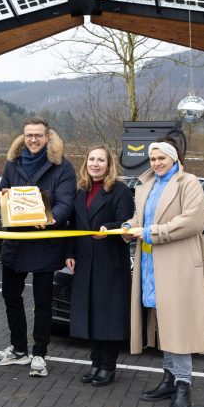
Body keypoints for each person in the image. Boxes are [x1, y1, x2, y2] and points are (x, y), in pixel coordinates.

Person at [122, 137, 204, 407]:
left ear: (174, 159)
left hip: (178, 265)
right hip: (152, 263)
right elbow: (141, 219)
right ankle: (170, 379)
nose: (157, 163)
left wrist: (152, 233)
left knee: (178, 323)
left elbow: (193, 220)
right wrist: (126, 227)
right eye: (153, 159)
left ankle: (184, 386)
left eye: (162, 158)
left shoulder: (189, 183)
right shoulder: (147, 185)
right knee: (164, 322)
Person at [0, 117, 75, 377]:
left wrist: (50, 218)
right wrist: (4, 198)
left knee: (42, 301)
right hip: (16, 241)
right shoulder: (13, 162)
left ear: (48, 137)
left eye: (38, 135)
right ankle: (19, 349)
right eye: (29, 135)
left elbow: (66, 202)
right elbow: (3, 191)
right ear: (23, 136)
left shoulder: (62, 166)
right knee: (10, 296)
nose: (33, 139)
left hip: (45, 241)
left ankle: (39, 353)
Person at [65, 145, 134, 387]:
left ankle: (108, 367)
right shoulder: (81, 191)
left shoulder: (120, 191)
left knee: (108, 318)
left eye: (100, 160)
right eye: (91, 159)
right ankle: (95, 363)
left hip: (109, 263)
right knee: (92, 315)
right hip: (85, 263)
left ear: (109, 164)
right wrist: (70, 253)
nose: (95, 164)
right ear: (86, 163)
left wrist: (110, 229)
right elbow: (74, 226)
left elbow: (127, 222)